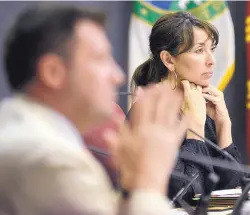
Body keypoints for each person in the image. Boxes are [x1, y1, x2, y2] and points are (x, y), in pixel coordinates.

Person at [0, 4, 187, 215]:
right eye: (100, 59)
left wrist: (134, 184)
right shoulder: (47, 158)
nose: (118, 76)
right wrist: (149, 179)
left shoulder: (30, 131)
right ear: (53, 72)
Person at [130, 11, 242, 204]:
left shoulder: (200, 105)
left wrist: (224, 126)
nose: (211, 60)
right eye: (199, 50)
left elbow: (230, 196)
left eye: (211, 49)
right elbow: (186, 199)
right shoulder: (149, 114)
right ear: (169, 60)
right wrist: (195, 129)